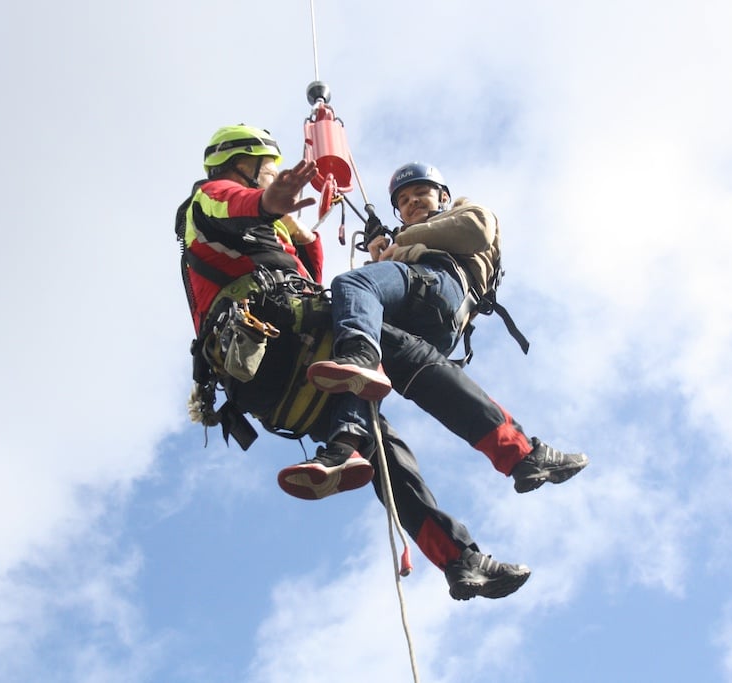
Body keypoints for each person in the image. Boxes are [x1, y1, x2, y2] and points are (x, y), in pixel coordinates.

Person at [177, 125, 588, 600]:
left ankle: (455, 558)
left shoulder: (258, 236)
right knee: (406, 354)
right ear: (242, 162)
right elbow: (232, 202)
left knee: (382, 454)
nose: (275, 172)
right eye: (267, 165)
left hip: (270, 381)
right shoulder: (208, 198)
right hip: (276, 337)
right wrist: (269, 203)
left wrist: (297, 227)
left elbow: (308, 269)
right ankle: (518, 451)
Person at [280, 162, 589, 498]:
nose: (412, 202)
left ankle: (362, 356)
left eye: (420, 193)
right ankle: (346, 446)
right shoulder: (401, 246)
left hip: (439, 284)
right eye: (404, 200)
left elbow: (477, 230)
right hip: (423, 321)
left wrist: (400, 241)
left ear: (442, 196)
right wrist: (380, 257)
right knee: (380, 375)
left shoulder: (464, 212)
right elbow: (369, 299)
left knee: (351, 289)